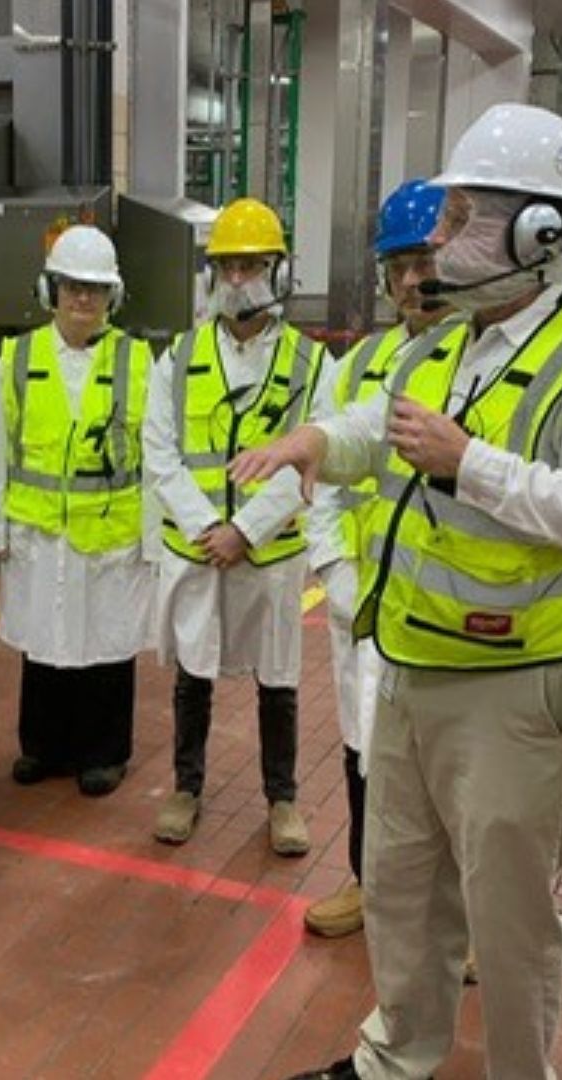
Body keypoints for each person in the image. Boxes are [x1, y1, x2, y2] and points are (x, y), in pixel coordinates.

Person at [240, 103, 562, 1080]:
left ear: (536, 233)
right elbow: (379, 429)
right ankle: (398, 1057)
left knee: (509, 920)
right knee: (401, 884)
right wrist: (315, 443)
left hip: (522, 685)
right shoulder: (454, 341)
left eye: (465, 215)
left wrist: (473, 465)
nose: (440, 240)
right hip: (418, 661)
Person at [145, 196, 326, 856]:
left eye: (251, 265)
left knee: (277, 680)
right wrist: (207, 530)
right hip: (198, 552)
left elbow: (313, 457)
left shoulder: (311, 365)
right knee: (192, 674)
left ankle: (283, 800)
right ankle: (186, 788)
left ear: (278, 273)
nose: (238, 279)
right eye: (226, 266)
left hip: (268, 554)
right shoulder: (177, 358)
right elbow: (160, 454)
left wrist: (244, 531)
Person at [300, 178, 455, 940]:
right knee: (364, 748)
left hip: (455, 610)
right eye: (396, 266)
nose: (410, 282)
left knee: (450, 775)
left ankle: (454, 922)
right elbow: (322, 473)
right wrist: (334, 571)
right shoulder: (358, 364)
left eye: (424, 260)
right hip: (366, 603)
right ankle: (369, 886)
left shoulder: (483, 359)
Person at [0, 225, 153, 797]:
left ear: (112, 297)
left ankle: (104, 753)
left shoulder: (139, 361)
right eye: (72, 287)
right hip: (39, 532)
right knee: (44, 640)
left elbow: (153, 457)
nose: (83, 300)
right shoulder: (18, 359)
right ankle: (43, 747)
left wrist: (153, 540)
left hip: (110, 535)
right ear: (51, 289)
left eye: (95, 290)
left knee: (106, 644)